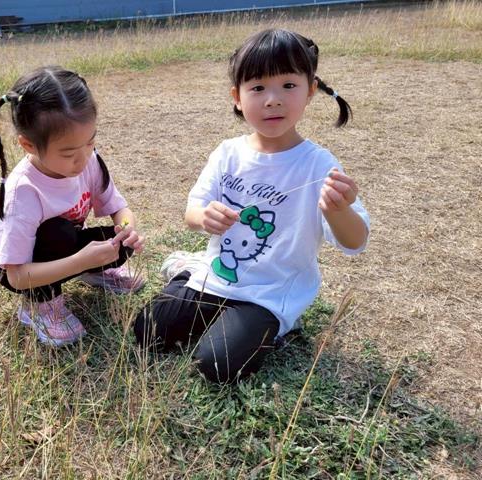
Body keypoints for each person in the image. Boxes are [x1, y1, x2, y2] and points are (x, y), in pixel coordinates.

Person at [134, 28, 370, 383]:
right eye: (258, 88)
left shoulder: (318, 165)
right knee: (146, 331)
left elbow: (355, 242)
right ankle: (191, 268)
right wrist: (204, 217)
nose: (272, 100)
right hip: (216, 277)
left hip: (268, 294)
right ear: (237, 97)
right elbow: (192, 213)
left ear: (310, 91)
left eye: (288, 85)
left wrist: (339, 211)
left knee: (216, 365)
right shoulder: (228, 153)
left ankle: (276, 325)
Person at [0, 66, 146, 347]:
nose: (83, 159)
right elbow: (16, 275)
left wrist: (127, 229)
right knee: (56, 231)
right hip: (21, 268)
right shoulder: (24, 191)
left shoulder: (89, 160)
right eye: (68, 153)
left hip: (65, 245)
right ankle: (39, 306)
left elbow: (120, 208)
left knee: (118, 242)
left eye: (90, 142)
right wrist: (81, 260)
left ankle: (94, 272)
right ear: (29, 145)